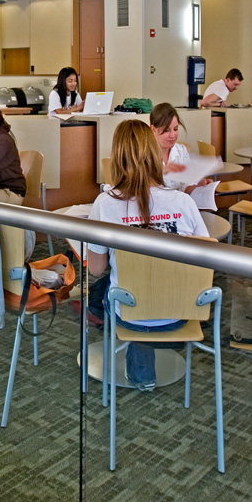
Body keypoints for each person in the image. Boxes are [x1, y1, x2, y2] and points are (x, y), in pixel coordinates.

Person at [86, 119, 209, 391]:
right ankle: (144, 367)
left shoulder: (106, 204)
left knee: (105, 288)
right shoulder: (184, 202)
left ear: (117, 158)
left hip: (131, 313)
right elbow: (204, 262)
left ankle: (140, 369)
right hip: (182, 311)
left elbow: (95, 268)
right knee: (144, 280)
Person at [149, 103, 209, 194]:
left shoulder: (181, 151)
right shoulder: (144, 153)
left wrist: (198, 186)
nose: (173, 135)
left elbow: (185, 188)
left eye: (176, 129)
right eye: (167, 130)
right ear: (153, 129)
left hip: (178, 206)